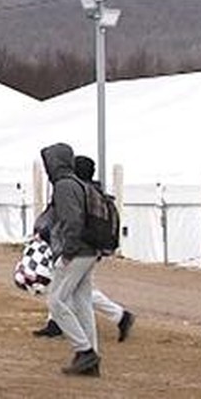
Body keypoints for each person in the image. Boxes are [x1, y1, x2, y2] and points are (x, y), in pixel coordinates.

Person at [33, 155, 136, 344]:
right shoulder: (92, 192)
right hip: (89, 249)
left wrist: (64, 248)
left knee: (64, 293)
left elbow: (67, 220)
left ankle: (90, 338)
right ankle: (110, 322)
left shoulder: (73, 191)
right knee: (75, 290)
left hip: (75, 249)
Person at [40, 142, 104, 376]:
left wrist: (67, 251)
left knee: (56, 302)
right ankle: (91, 358)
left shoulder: (64, 185)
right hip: (90, 251)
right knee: (82, 302)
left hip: (76, 251)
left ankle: (84, 351)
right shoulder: (78, 183)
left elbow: (72, 222)